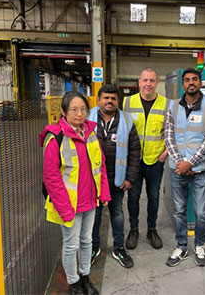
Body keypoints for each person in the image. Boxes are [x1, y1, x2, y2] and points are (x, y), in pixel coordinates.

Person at [39, 91, 111, 295]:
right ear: (63, 111)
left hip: (89, 200)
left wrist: (103, 193)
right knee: (71, 245)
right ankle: (73, 283)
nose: (79, 114)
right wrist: (64, 209)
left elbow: (100, 166)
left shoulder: (90, 133)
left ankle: (85, 276)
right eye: (74, 109)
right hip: (69, 204)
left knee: (87, 240)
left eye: (83, 109)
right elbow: (51, 177)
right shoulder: (55, 138)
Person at [165, 68, 205, 267]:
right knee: (179, 210)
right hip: (177, 169)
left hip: (200, 170)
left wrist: (191, 163)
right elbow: (169, 136)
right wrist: (181, 163)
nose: (191, 83)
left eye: (194, 79)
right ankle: (181, 246)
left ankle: (199, 245)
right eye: (187, 80)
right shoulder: (172, 106)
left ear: (200, 82)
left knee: (201, 212)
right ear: (182, 84)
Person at [88, 85, 140, 268]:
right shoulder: (87, 119)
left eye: (113, 99)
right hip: (93, 181)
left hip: (117, 180)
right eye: (106, 98)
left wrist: (130, 178)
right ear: (98, 100)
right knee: (94, 215)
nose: (109, 101)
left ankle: (118, 248)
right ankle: (93, 248)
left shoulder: (126, 120)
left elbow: (135, 150)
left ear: (118, 101)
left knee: (117, 213)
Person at [122, 67, 169, 250]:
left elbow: (170, 132)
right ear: (139, 82)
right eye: (145, 80)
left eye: (152, 80)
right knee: (133, 197)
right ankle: (134, 230)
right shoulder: (127, 103)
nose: (148, 84)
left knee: (154, 196)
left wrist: (165, 154)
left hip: (155, 160)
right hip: (133, 161)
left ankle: (151, 229)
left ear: (157, 83)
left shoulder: (166, 104)